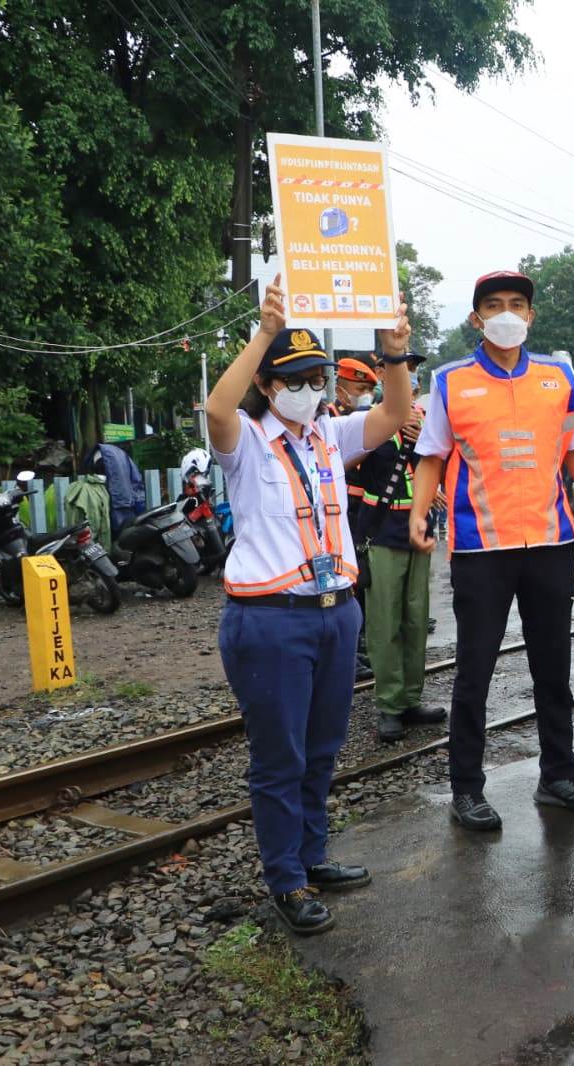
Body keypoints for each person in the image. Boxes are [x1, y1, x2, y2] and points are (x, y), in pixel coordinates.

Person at [203, 273, 413, 935]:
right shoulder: (245, 442)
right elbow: (215, 410)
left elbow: (392, 414)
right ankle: (285, 879)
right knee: (279, 757)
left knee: (322, 748)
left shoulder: (329, 437)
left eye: (317, 379)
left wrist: (395, 352)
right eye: (294, 379)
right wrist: (264, 332)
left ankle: (312, 856)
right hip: (270, 620)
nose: (311, 390)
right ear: (268, 388)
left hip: (334, 611)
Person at [408, 270, 574, 830]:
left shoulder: (559, 376)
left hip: (550, 542)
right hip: (482, 549)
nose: (507, 312)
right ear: (477, 318)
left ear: (530, 315)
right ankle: (467, 789)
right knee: (474, 672)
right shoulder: (450, 381)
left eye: (518, 303)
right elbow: (431, 456)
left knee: (554, 665)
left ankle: (558, 776)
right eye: (495, 304)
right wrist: (417, 512)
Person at [353, 360, 445, 742]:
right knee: (384, 623)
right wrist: (388, 428)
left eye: (413, 377)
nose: (410, 382)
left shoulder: (425, 420)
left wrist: (424, 437)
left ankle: (410, 698)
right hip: (382, 533)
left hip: (417, 531)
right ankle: (389, 704)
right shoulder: (367, 420)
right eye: (401, 375)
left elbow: (442, 460)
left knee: (415, 619)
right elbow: (347, 465)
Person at [335, 355, 380, 680]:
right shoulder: (331, 420)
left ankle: (358, 646)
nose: (363, 394)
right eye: (358, 388)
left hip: (362, 510)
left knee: (360, 578)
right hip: (341, 511)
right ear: (341, 390)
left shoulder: (363, 420)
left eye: (367, 389)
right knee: (345, 580)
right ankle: (348, 652)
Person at [86, 440, 146, 534]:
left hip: (111, 508)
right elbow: (137, 484)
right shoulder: (121, 455)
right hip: (126, 506)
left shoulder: (99, 455)